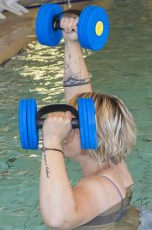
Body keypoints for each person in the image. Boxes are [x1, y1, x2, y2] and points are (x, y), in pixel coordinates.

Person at [39, 14, 137, 229]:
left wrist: (52, 141)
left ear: (93, 133)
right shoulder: (115, 166)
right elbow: (81, 98)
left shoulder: (97, 186)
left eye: (72, 123)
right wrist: (72, 42)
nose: (66, 127)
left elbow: (59, 219)